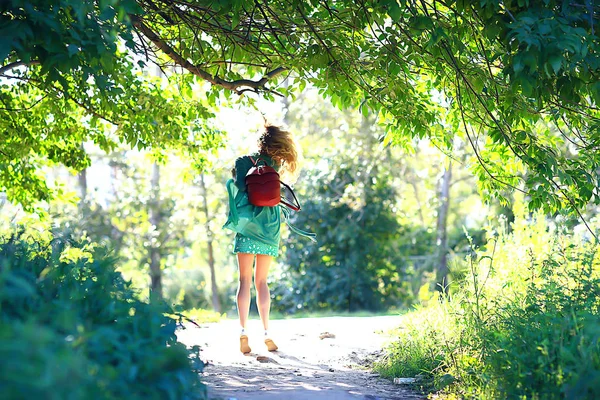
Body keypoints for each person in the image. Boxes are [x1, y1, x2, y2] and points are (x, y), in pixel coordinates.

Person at [224, 124, 303, 354]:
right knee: (262, 282)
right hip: (269, 228)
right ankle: (267, 333)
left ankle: (242, 332)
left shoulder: (241, 162)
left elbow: (240, 188)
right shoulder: (275, 165)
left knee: (244, 281)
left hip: (247, 227)